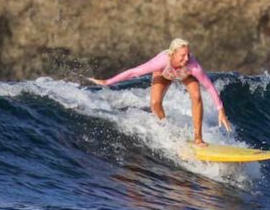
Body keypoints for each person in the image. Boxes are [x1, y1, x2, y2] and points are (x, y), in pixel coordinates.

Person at [88, 38, 231, 146]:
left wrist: (220, 110)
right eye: (183, 55)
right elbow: (134, 72)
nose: (187, 58)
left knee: (196, 95)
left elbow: (209, 86)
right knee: (155, 103)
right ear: (173, 54)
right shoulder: (161, 61)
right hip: (164, 74)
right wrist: (107, 82)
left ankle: (198, 138)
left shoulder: (192, 65)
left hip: (185, 74)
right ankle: (167, 130)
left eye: (188, 54)